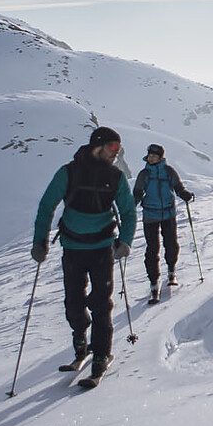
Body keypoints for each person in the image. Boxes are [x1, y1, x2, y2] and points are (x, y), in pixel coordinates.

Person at [32, 126, 137, 380]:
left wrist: (125, 241)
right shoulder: (68, 173)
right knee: (74, 304)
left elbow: (128, 211)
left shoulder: (115, 177)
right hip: (73, 248)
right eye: (112, 147)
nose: (116, 152)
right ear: (97, 146)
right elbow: (46, 205)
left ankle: (101, 354)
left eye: (119, 148)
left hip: (102, 248)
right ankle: (81, 341)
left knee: (101, 303)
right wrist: (39, 242)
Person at [132, 143, 194, 298]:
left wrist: (185, 194)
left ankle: (171, 269)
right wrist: (132, 203)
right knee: (152, 249)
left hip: (168, 214)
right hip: (150, 215)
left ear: (160, 157)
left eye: (154, 156)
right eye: (150, 156)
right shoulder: (144, 174)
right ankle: (153, 280)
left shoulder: (169, 171)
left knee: (171, 244)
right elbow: (138, 192)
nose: (151, 158)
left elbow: (178, 188)